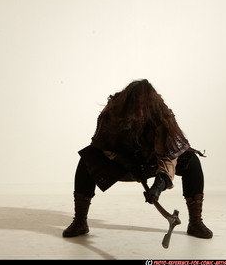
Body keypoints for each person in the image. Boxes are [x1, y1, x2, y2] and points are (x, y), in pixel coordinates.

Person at [62, 79, 213, 239]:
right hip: (119, 164)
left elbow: (168, 154)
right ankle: (79, 222)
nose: (141, 112)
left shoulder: (162, 115)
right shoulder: (113, 112)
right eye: (137, 107)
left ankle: (196, 222)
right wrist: (123, 161)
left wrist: (160, 183)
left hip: (152, 163)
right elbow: (103, 145)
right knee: (86, 161)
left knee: (191, 161)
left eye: (144, 107)